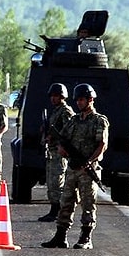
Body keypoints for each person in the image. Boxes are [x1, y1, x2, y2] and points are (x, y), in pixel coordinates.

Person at [41, 83, 108, 249]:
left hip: (87, 169)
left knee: (87, 204)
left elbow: (102, 145)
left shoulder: (99, 120)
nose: (78, 102)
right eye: (77, 99)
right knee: (66, 202)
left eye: (82, 99)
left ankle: (86, 237)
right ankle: (60, 236)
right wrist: (62, 149)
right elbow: (62, 138)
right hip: (72, 167)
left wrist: (90, 161)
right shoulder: (74, 120)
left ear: (90, 100)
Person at [38, 83, 75, 222]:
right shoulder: (56, 111)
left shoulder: (65, 111)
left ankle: (58, 211)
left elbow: (69, 131)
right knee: (51, 181)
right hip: (52, 151)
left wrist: (55, 137)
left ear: (62, 96)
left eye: (56, 96)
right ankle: (54, 209)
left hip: (60, 151)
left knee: (57, 181)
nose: (53, 99)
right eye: (52, 96)